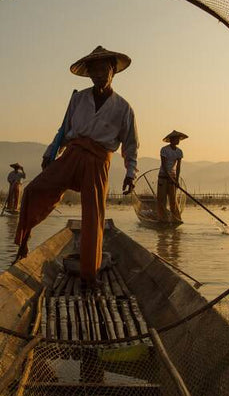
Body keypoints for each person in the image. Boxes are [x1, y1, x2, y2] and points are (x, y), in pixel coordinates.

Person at [14, 45, 138, 287]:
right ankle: (23, 245)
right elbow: (64, 130)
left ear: (113, 70)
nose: (98, 75)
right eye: (94, 71)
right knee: (33, 190)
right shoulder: (78, 99)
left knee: (93, 215)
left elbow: (131, 145)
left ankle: (89, 276)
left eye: (103, 69)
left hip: (98, 161)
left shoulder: (124, 108)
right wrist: (51, 152)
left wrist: (130, 173)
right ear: (89, 74)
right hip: (73, 154)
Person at [157, 130, 187, 223]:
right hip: (163, 176)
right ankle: (162, 219)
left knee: (173, 200)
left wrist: (176, 180)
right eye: (175, 139)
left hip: (173, 177)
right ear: (171, 140)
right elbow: (164, 165)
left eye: (178, 139)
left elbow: (178, 167)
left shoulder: (179, 152)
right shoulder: (164, 150)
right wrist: (170, 178)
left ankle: (175, 219)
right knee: (162, 199)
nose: (177, 140)